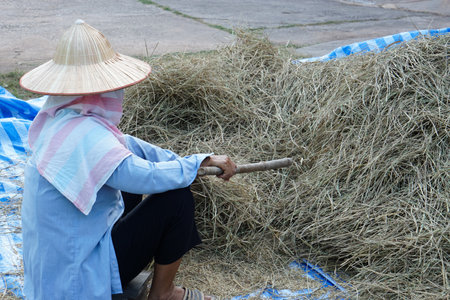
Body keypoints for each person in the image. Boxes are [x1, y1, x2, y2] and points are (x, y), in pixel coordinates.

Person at [20, 19, 236, 300]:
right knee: (176, 198)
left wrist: (195, 161)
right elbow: (142, 176)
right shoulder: (83, 133)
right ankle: (164, 293)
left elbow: (127, 147)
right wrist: (191, 166)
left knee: (132, 190)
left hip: (57, 268)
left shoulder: (61, 120)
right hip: (77, 279)